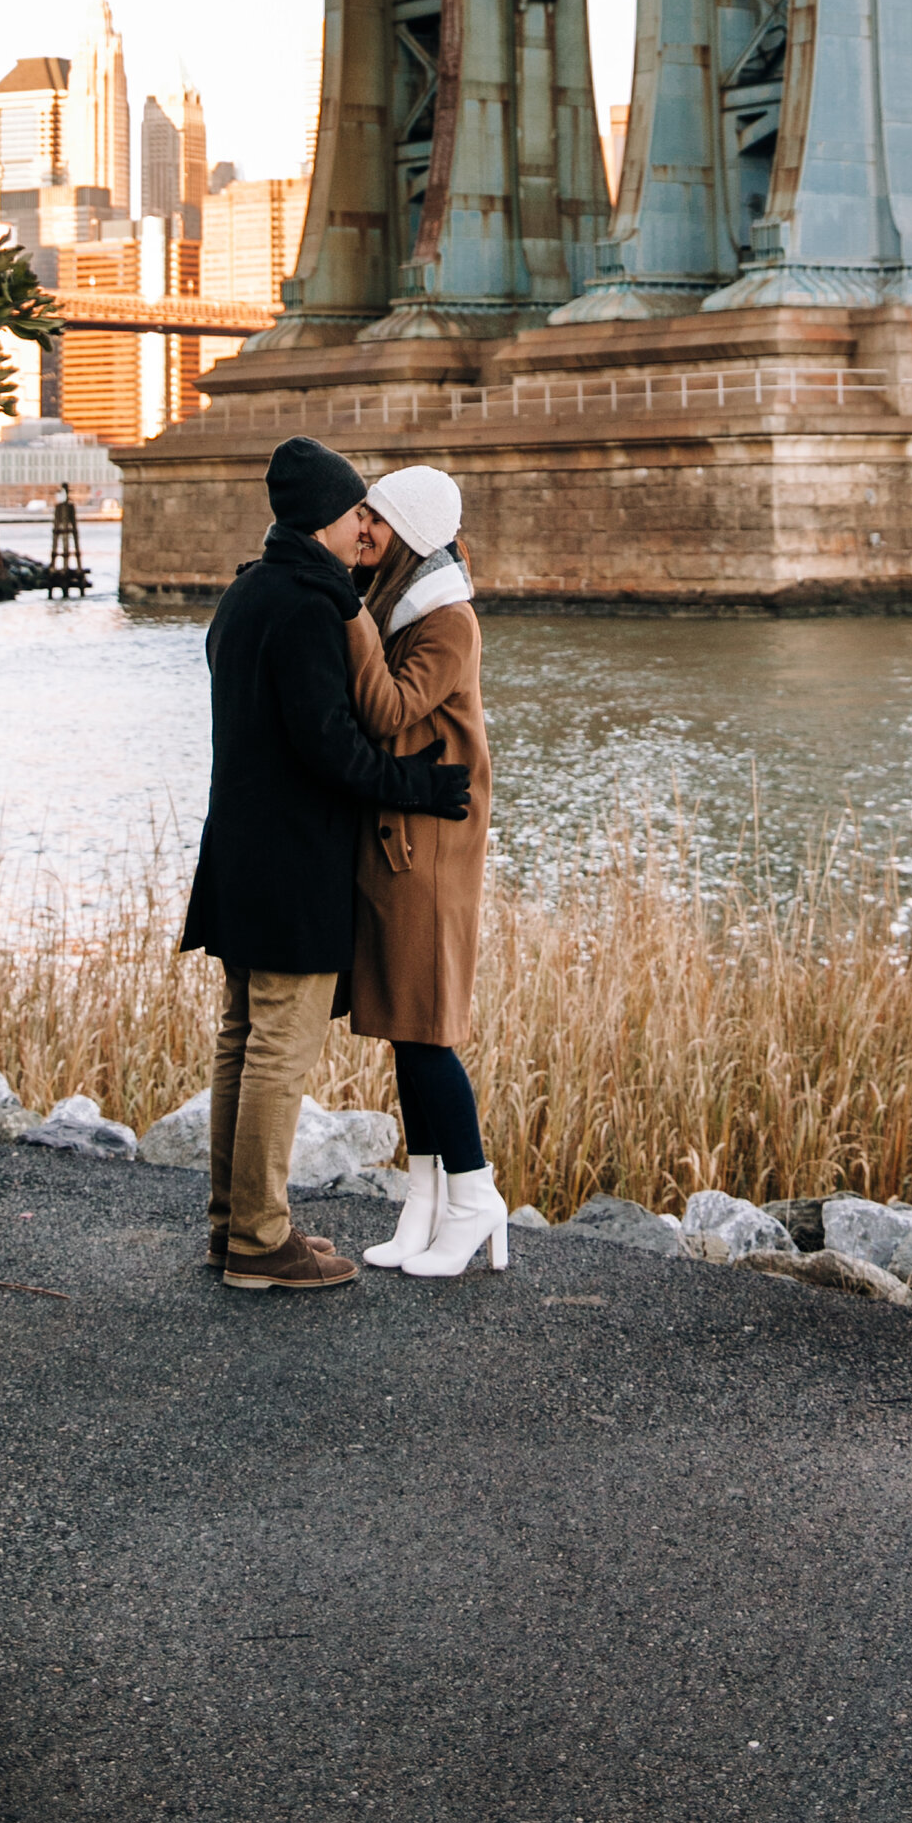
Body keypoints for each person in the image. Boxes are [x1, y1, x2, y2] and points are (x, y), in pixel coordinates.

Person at [180, 434, 472, 1293]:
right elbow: (333, 750)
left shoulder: (245, 595)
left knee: (241, 1042)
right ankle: (263, 1242)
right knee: (277, 1050)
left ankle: (232, 1228)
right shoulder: (310, 606)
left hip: (236, 856)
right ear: (323, 521)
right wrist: (418, 784)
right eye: (355, 513)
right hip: (292, 864)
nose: (362, 529)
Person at [341, 463, 504, 1279]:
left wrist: (347, 616)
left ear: (406, 533)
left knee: (427, 1029)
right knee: (410, 1029)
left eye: (373, 518)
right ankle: (425, 1205)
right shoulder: (402, 608)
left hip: (431, 843)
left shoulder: (445, 621)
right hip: (404, 836)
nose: (359, 529)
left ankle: (474, 1200)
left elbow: (390, 710)